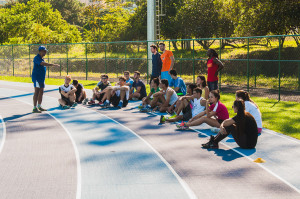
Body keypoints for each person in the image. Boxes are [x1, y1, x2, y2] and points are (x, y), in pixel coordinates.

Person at [32, 46, 59, 113]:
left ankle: (39, 106)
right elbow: (43, 64)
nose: (45, 52)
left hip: (41, 79)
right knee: (37, 92)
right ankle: (34, 108)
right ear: (40, 51)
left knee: (41, 92)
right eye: (44, 51)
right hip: (37, 78)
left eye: (45, 51)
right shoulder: (36, 58)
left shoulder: (42, 59)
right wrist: (53, 65)